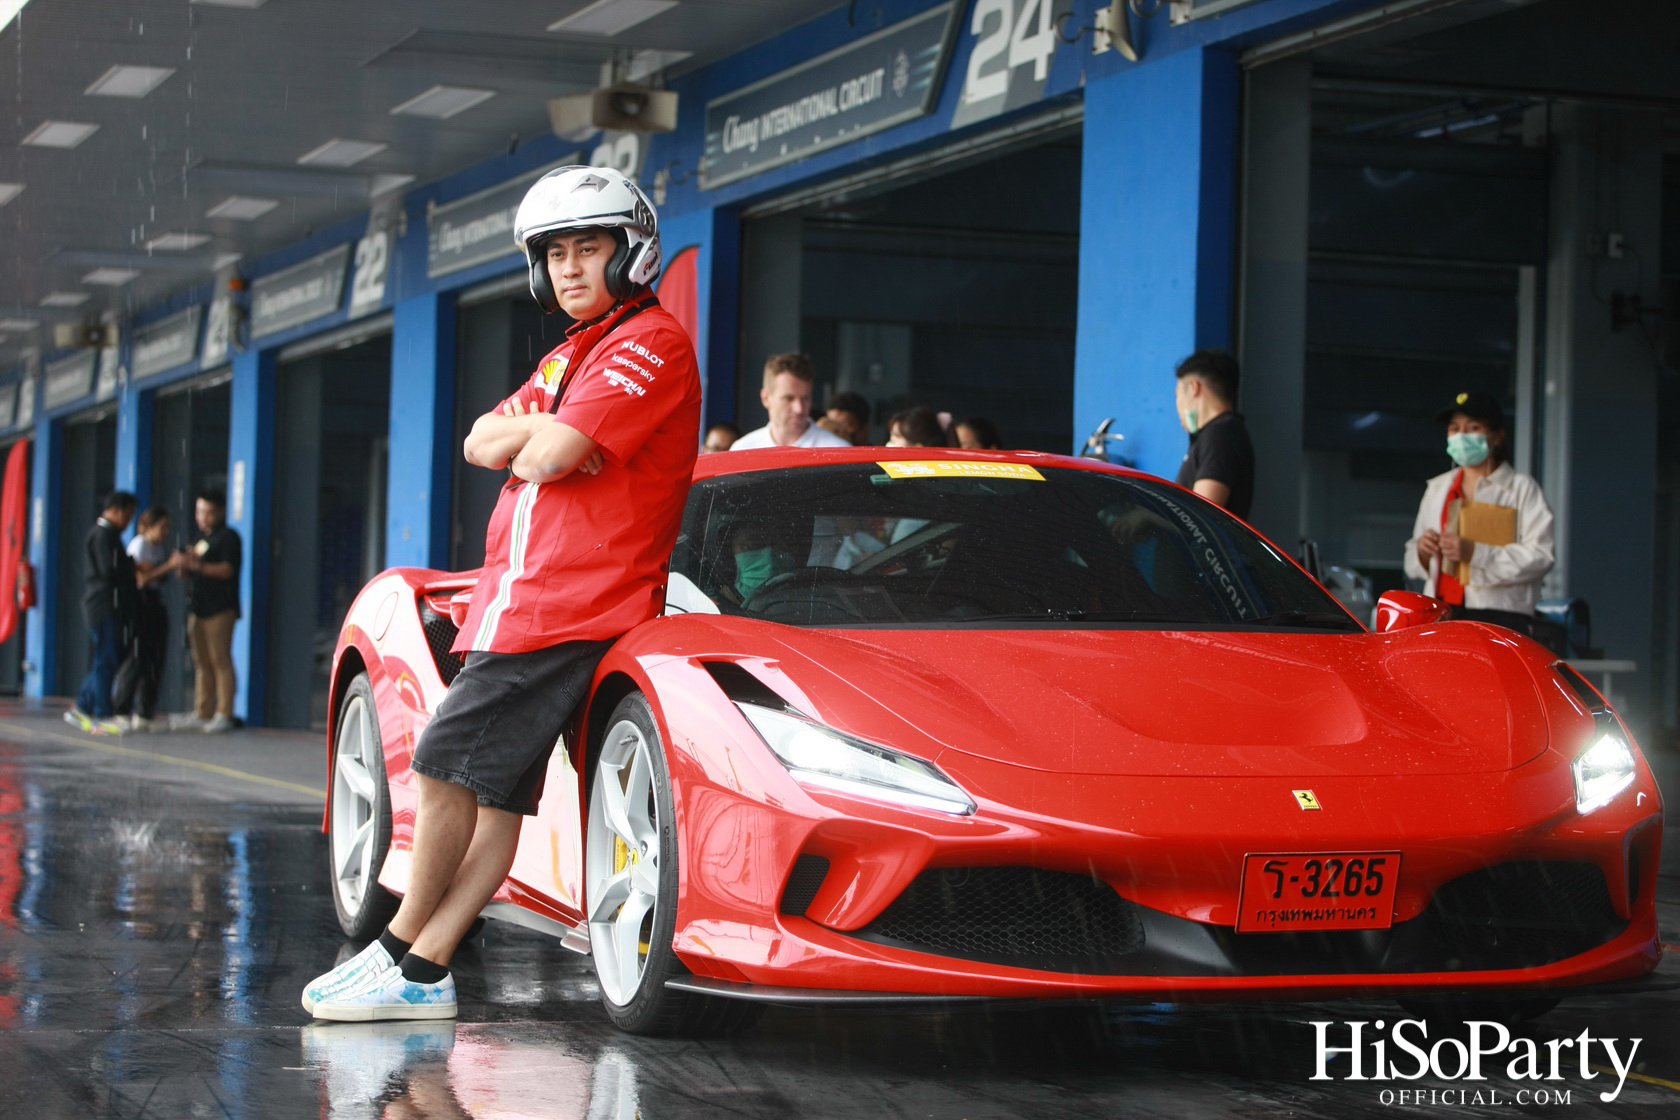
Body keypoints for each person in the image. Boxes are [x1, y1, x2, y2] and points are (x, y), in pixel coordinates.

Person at [304, 164, 702, 1023]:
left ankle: (397, 947)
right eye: (553, 253)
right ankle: (424, 971)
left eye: (588, 248)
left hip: (571, 609)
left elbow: (550, 457)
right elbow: (482, 442)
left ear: (630, 254)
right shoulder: (571, 352)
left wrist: (547, 440)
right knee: (494, 802)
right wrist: (541, 435)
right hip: (522, 605)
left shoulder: (649, 344)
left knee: (442, 761)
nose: (567, 268)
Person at [1403, 391, 1554, 630]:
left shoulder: (1521, 488)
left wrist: (1475, 552)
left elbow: (1541, 556)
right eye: (1454, 429)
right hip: (1440, 611)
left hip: (1501, 613)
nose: (1461, 436)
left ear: (1497, 436)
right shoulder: (1438, 487)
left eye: (1473, 428)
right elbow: (1412, 559)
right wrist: (1423, 549)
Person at [65, 491, 138, 735]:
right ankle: (102, 714)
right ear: (115, 510)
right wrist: (131, 566)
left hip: (110, 606)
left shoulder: (108, 535)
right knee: (106, 660)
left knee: (108, 660)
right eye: (128, 516)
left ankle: (83, 706)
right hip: (104, 606)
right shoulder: (102, 535)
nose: (128, 522)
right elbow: (110, 570)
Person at [173, 491, 242, 734]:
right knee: (201, 662)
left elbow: (226, 570)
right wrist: (183, 567)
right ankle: (203, 711)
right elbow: (191, 572)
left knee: (220, 660)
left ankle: (225, 713)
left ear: (221, 512)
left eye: (209, 512)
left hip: (220, 609)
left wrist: (197, 565)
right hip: (198, 609)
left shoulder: (228, 538)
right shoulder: (201, 539)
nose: (203, 517)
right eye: (199, 512)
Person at [114, 506, 180, 731]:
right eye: (162, 527)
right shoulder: (139, 545)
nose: (165, 532)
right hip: (141, 605)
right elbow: (141, 578)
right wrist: (168, 566)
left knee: (155, 659)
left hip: (156, 605)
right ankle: (121, 707)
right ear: (149, 526)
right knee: (137, 657)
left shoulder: (157, 548)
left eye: (168, 528)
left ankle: (145, 710)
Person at [1173, 349, 1254, 519]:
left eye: (1178, 394)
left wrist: (1147, 518)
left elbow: (1200, 514)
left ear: (1194, 387)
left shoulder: (1222, 433)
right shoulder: (1217, 433)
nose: (1177, 406)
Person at [729, 353, 850, 449]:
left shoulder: (837, 450)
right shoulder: (743, 450)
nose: (799, 408)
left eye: (805, 398)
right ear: (765, 398)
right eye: (789, 398)